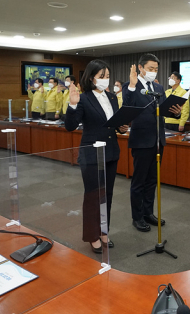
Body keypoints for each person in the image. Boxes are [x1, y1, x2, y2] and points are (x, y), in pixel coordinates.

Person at [65, 59, 127, 253]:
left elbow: (114, 123)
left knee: (107, 195)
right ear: (91, 77)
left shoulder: (112, 97)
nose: (105, 80)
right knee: (93, 195)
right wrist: (72, 105)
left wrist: (122, 127)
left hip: (110, 152)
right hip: (92, 154)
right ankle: (92, 235)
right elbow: (70, 126)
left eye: (107, 76)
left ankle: (104, 230)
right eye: (102, 76)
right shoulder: (83, 98)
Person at [122, 53, 182, 232]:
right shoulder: (130, 86)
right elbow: (128, 106)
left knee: (152, 180)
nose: (153, 72)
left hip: (158, 140)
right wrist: (133, 85)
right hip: (141, 140)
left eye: (156, 69)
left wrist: (176, 112)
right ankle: (137, 216)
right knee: (139, 181)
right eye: (150, 69)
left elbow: (164, 110)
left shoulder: (159, 87)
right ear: (140, 68)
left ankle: (148, 212)